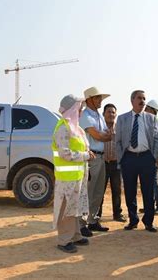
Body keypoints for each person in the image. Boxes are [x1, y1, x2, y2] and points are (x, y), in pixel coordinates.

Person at [52, 94, 95, 253]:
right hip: (66, 178)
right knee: (66, 210)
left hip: (78, 176)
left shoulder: (76, 129)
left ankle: (75, 236)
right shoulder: (63, 128)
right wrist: (85, 156)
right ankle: (64, 240)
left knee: (75, 208)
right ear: (72, 109)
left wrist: (86, 153)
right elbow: (65, 153)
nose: (82, 111)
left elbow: (81, 148)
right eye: (79, 108)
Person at [115, 90, 158, 232]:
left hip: (147, 158)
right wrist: (121, 159)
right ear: (132, 100)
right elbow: (118, 141)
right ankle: (133, 220)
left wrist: (154, 156)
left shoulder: (151, 118)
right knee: (130, 191)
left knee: (148, 191)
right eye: (139, 98)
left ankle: (148, 222)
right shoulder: (122, 118)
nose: (142, 101)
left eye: (144, 98)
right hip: (128, 158)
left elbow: (156, 139)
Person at [79, 87, 112, 232]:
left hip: (100, 157)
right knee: (88, 191)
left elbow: (107, 135)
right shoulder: (85, 115)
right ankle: (82, 223)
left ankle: (92, 220)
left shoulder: (98, 116)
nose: (100, 101)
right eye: (98, 98)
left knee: (98, 191)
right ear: (90, 99)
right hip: (91, 158)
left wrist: (102, 135)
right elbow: (99, 136)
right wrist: (102, 135)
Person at [99, 103, 126, 222]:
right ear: (103, 114)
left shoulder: (120, 128)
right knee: (99, 190)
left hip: (116, 164)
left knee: (117, 190)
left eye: (113, 112)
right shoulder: (99, 128)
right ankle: (96, 215)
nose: (111, 114)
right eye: (108, 112)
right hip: (102, 163)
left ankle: (117, 214)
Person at [144, 99, 158, 215]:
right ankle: (149, 205)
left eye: (147, 108)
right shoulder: (145, 120)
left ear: (152, 110)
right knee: (146, 181)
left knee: (153, 181)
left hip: (154, 157)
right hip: (145, 156)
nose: (145, 110)